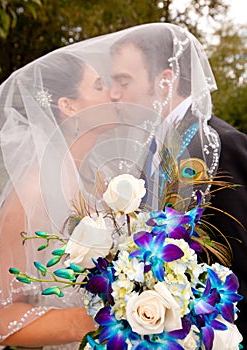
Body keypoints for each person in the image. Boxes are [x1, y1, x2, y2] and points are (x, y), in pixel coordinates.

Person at [109, 23, 247, 346]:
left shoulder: (224, 145)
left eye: (123, 81)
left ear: (165, 81)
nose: (113, 93)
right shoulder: (153, 147)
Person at [0, 49, 118, 348]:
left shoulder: (106, 175)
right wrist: (90, 322)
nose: (112, 93)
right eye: (98, 86)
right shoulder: (35, 191)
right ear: (68, 106)